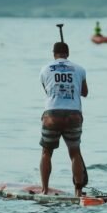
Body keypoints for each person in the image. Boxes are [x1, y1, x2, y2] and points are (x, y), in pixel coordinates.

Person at [39, 41, 88, 196]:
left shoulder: (45, 69)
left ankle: (45, 190)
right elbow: (85, 92)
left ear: (54, 53)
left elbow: (47, 91)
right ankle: (78, 192)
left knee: (46, 152)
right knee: (75, 152)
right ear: (68, 53)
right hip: (73, 115)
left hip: (52, 115)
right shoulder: (80, 69)